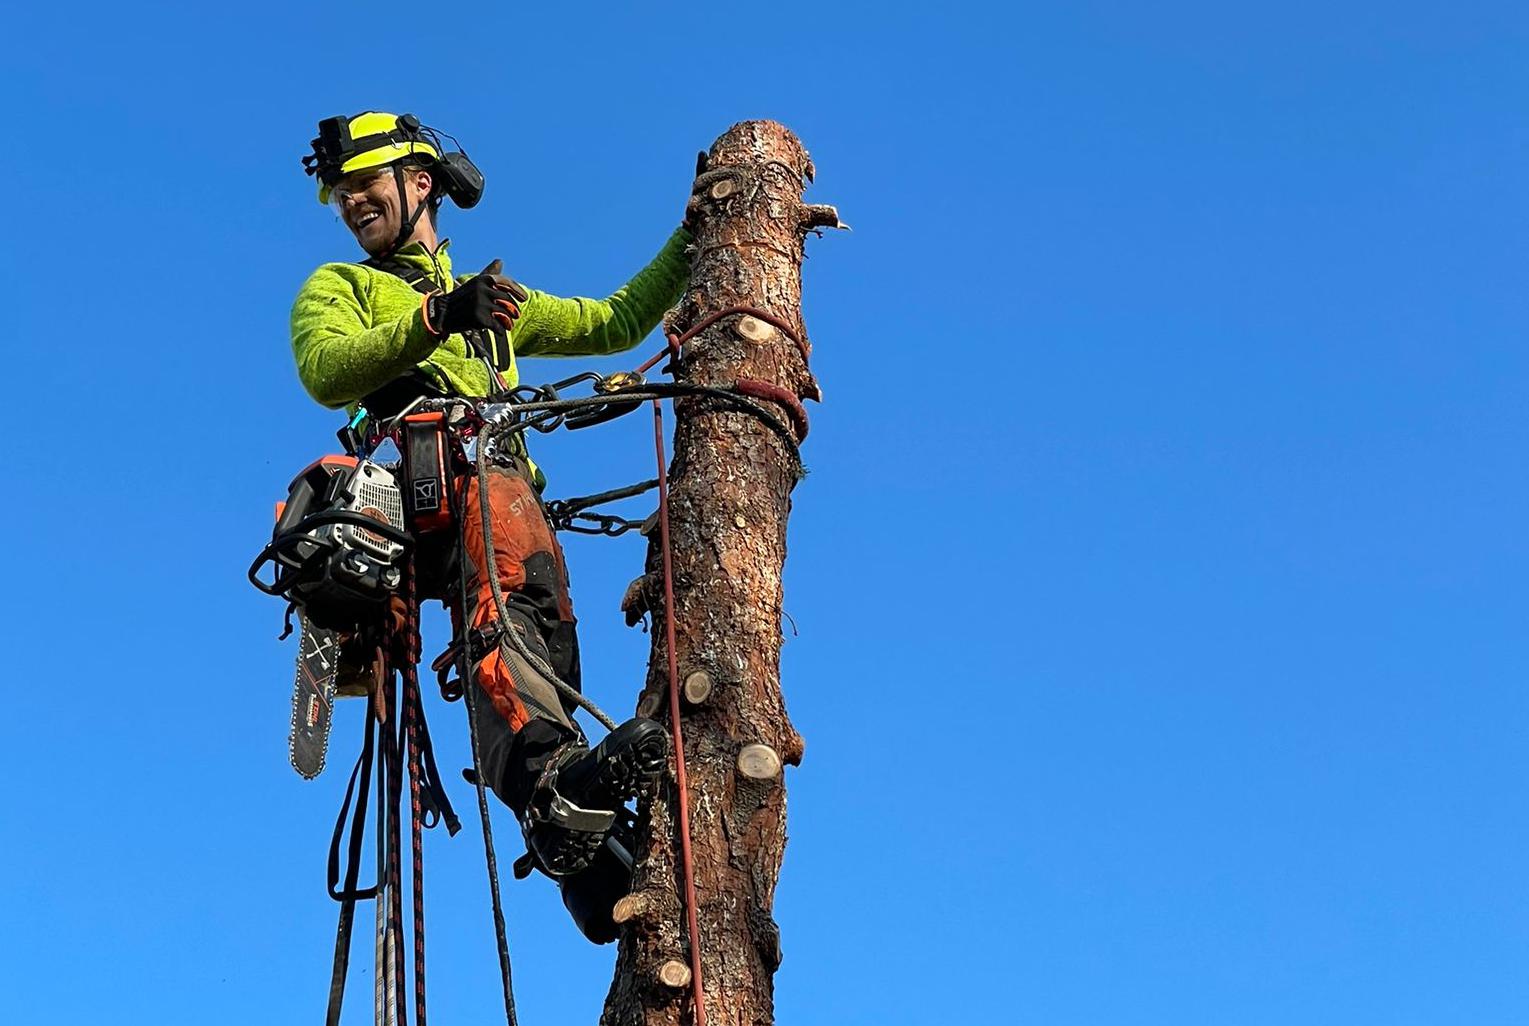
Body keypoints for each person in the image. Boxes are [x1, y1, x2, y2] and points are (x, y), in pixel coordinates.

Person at [290, 110, 688, 939]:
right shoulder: (342, 286)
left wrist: (693, 239)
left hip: (501, 492)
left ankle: (581, 853)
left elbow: (613, 321)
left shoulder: (496, 308)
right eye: (342, 196)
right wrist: (437, 319)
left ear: (419, 182)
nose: (353, 204)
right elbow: (327, 372)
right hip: (422, 490)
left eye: (366, 186)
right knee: (505, 602)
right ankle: (552, 785)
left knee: (541, 618)